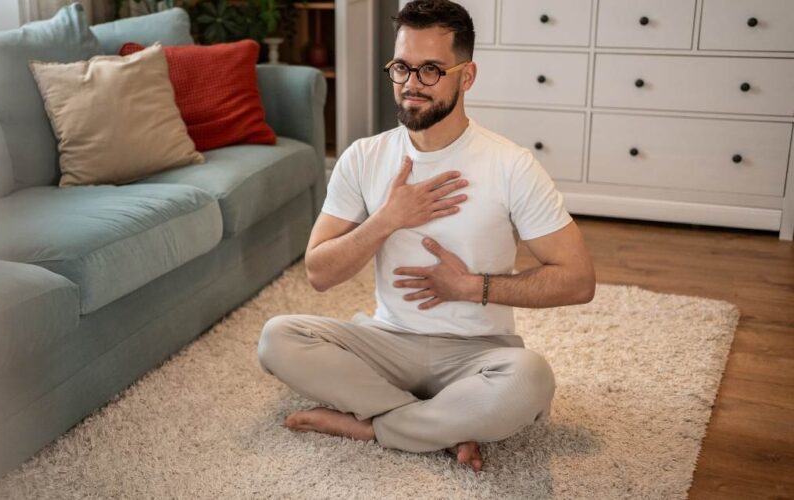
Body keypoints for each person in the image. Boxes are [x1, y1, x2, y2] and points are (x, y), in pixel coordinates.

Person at [256, 0, 597, 473]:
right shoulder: (363, 157)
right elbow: (318, 273)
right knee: (278, 339)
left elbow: (578, 280)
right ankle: (439, 425)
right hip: (387, 342)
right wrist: (387, 219)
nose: (411, 84)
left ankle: (374, 426)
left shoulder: (510, 165)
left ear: (467, 76)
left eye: (431, 70)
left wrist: (472, 287)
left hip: (477, 353)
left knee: (530, 379)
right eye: (402, 68)